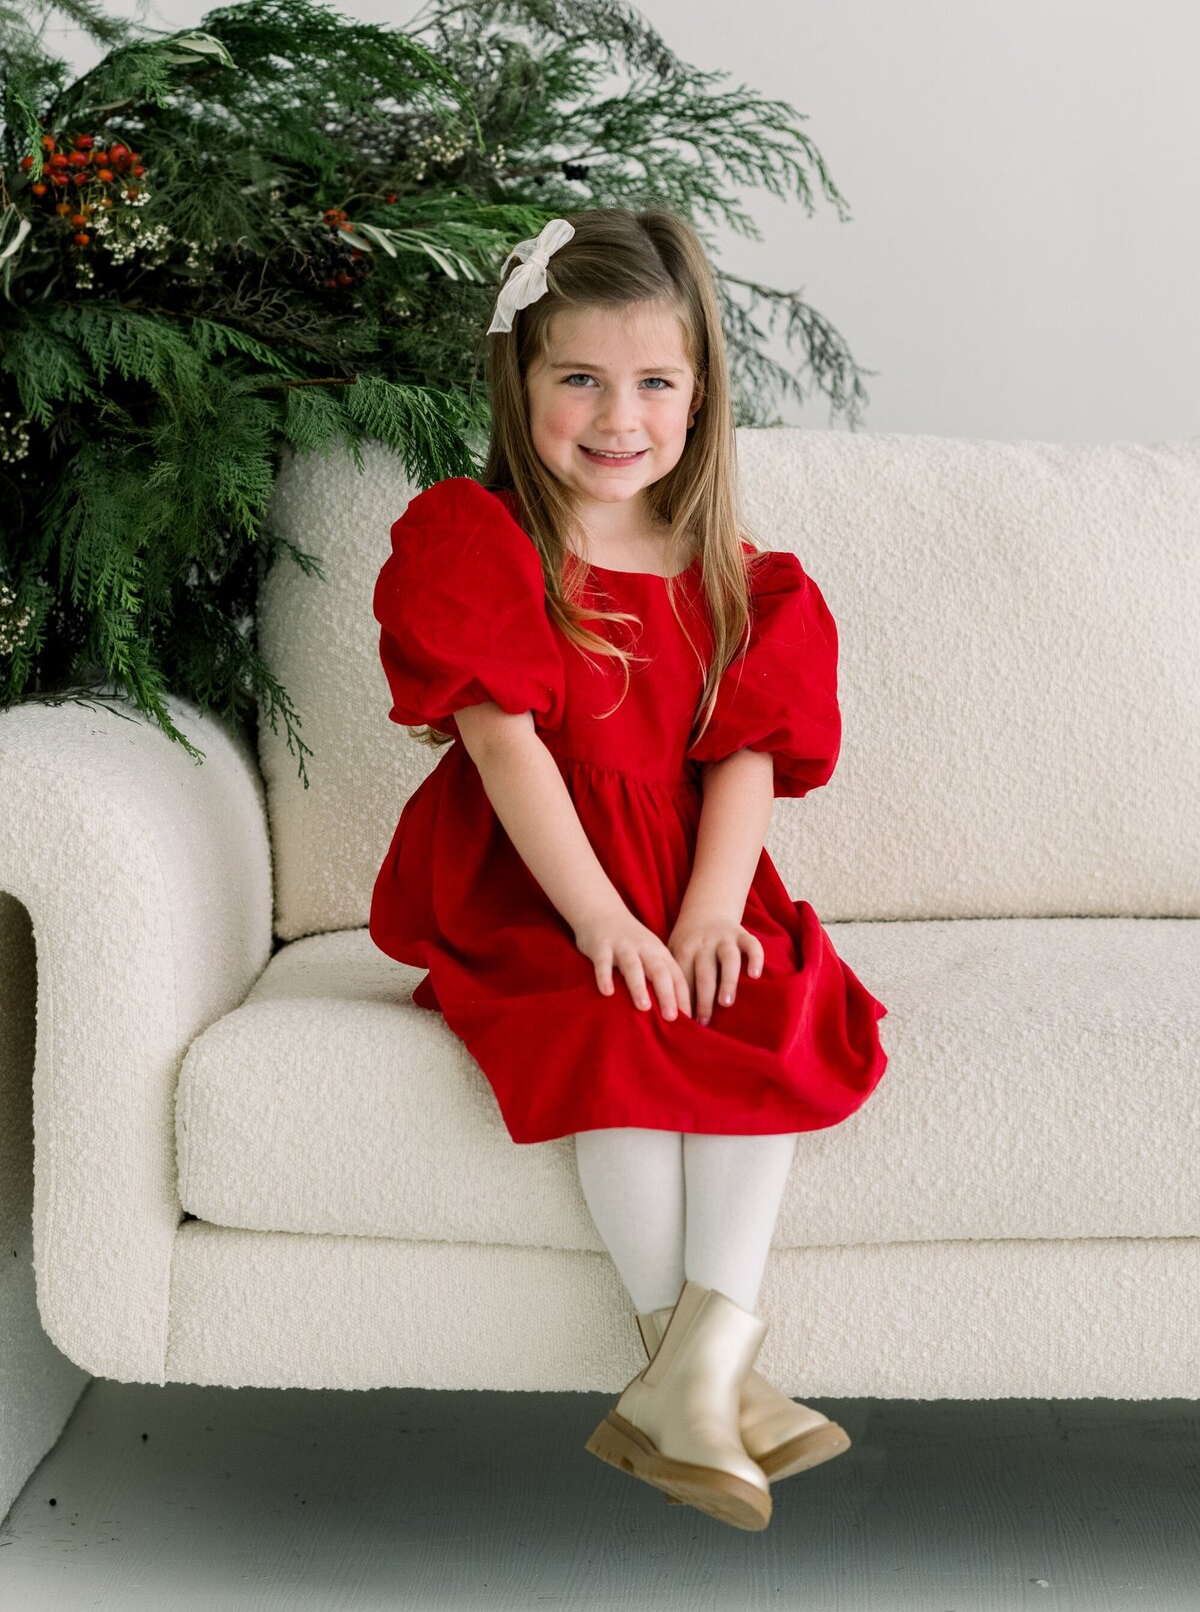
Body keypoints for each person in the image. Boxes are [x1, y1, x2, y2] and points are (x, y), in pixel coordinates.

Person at [369, 206, 890, 1533]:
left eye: (654, 381)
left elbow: (745, 767)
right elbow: (504, 754)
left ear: (700, 393)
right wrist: (603, 919)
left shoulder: (742, 582)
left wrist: (710, 911)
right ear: (521, 382)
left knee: (755, 1002)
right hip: (536, 882)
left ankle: (690, 1383)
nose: (618, 416)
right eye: (579, 380)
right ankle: (710, 1382)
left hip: (685, 877)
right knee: (614, 1020)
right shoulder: (477, 538)